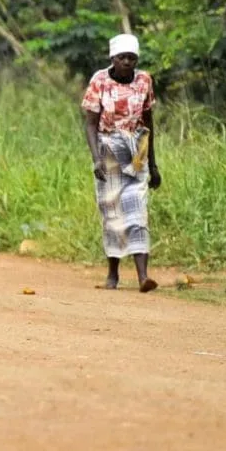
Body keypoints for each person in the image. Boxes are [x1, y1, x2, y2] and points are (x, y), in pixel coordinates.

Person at [81, 33, 160, 293]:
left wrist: (154, 164)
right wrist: (95, 159)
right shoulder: (99, 81)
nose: (127, 62)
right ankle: (113, 275)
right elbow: (91, 125)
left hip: (137, 148)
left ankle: (142, 277)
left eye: (132, 58)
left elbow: (148, 121)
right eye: (122, 58)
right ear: (112, 59)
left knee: (138, 209)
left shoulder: (144, 81)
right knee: (112, 211)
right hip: (109, 147)